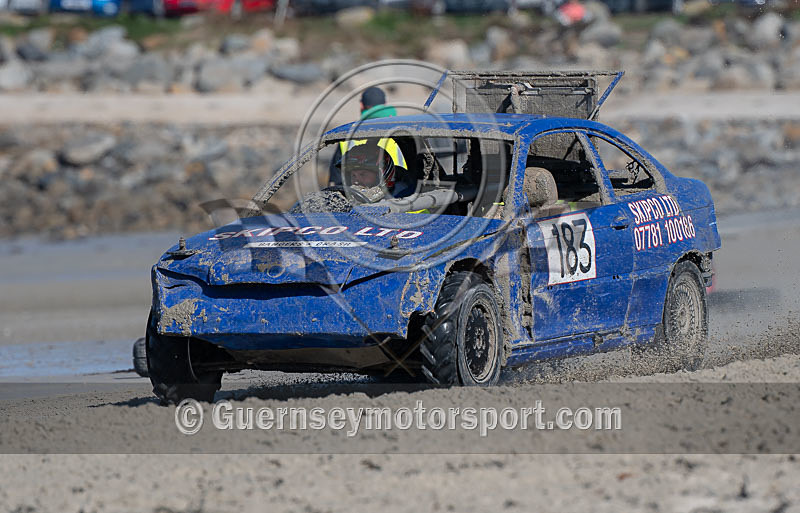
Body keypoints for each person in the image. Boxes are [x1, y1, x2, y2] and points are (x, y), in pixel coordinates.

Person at [328, 86, 406, 186]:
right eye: (353, 175)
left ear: (361, 105)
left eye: (363, 174)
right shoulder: (402, 134)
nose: (356, 181)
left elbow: (336, 180)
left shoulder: (348, 135)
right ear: (384, 104)